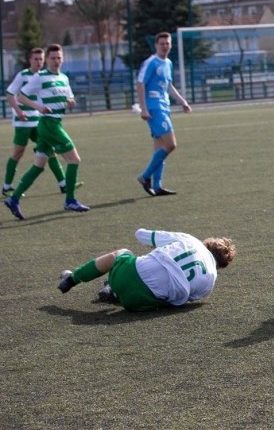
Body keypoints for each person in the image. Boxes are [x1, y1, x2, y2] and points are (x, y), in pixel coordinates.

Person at [4, 44, 89, 219]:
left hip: (54, 123)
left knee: (39, 166)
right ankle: (70, 200)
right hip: (49, 125)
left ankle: (14, 199)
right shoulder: (40, 77)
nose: (56, 61)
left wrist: (71, 101)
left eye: (59, 57)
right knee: (74, 160)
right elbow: (20, 96)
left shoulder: (64, 77)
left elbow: (69, 97)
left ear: (62, 59)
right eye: (53, 58)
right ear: (47, 60)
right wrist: (38, 107)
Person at [58, 228, 236, 312]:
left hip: (129, 273)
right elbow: (186, 300)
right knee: (171, 295)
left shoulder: (190, 240)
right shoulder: (211, 280)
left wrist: (156, 245)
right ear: (220, 265)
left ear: (206, 243)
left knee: (122, 253)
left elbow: (141, 234)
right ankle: (112, 291)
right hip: (140, 303)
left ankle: (73, 278)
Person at [3, 47, 73, 196]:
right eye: (36, 59)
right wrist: (19, 111)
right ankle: (7, 186)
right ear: (30, 60)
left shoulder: (46, 76)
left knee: (50, 152)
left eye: (41, 59)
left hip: (39, 121)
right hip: (23, 122)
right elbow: (10, 94)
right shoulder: (23, 76)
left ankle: (63, 184)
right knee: (18, 152)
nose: (38, 62)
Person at [136, 32, 192, 197]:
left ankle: (158, 185)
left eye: (167, 43)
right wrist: (143, 108)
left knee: (160, 148)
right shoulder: (151, 62)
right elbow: (140, 83)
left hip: (164, 107)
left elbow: (169, 86)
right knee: (171, 144)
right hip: (154, 108)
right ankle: (145, 177)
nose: (165, 46)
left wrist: (183, 102)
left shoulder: (168, 63)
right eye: (162, 43)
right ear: (156, 45)